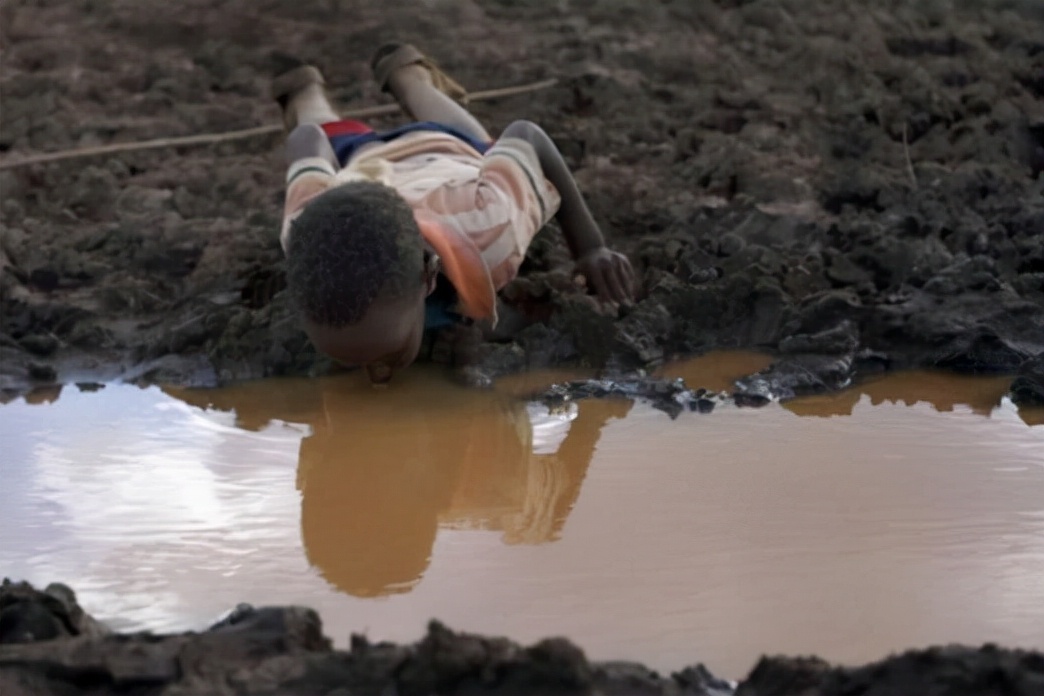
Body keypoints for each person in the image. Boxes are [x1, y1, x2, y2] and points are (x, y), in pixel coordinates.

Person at [272, 43, 635, 384]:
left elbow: (528, 135)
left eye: (387, 354)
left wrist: (589, 248)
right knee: (319, 124)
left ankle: (406, 77)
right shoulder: (303, 232)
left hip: (446, 152)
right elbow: (306, 139)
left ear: (429, 276)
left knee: (475, 141)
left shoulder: (491, 228)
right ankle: (306, 90)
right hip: (363, 163)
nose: (374, 373)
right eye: (348, 359)